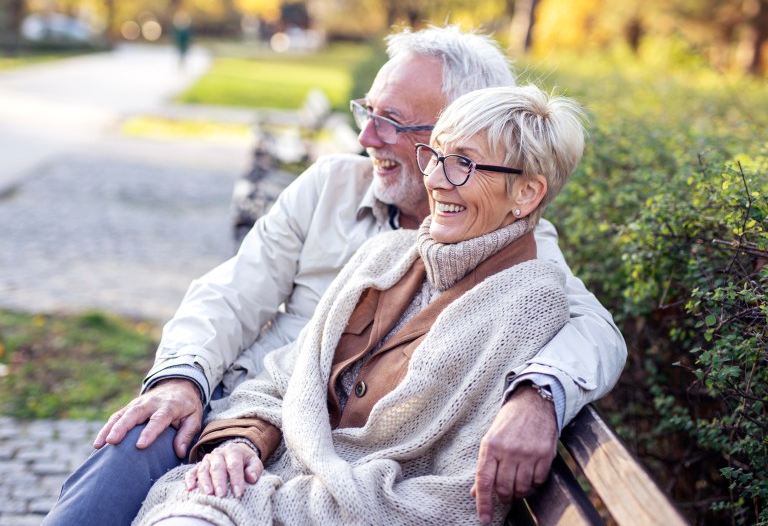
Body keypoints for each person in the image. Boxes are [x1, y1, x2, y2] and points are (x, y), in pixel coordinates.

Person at [44, 26, 626, 526]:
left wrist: (538, 395)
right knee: (134, 441)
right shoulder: (333, 188)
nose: (366, 137)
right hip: (235, 412)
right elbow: (228, 296)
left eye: (392, 122)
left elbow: (594, 331)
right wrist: (184, 377)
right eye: (367, 113)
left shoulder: (523, 264)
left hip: (325, 472)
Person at [132, 84, 589, 525]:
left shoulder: (530, 303)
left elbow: (452, 501)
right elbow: (284, 376)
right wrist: (240, 444)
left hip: (305, 506)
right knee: (134, 453)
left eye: (463, 165)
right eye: (435, 157)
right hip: (255, 480)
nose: (434, 180)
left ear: (527, 193)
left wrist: (263, 500)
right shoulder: (385, 254)